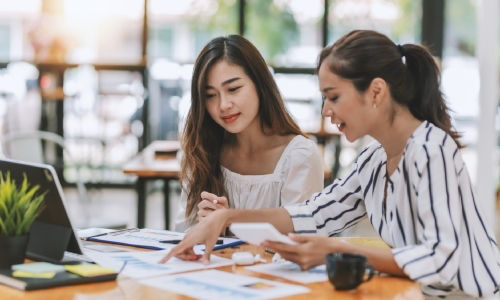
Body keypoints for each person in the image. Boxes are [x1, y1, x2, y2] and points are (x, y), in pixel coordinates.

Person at [161, 30, 500, 298]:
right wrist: (227, 217)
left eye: (334, 96)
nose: (326, 110)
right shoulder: (373, 160)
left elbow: (443, 261)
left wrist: (340, 251)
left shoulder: (430, 149)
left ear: (376, 92)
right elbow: (314, 214)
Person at [173, 35, 324, 232]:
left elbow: (303, 242)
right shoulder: (203, 150)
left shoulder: (300, 157)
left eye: (233, 89)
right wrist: (205, 227)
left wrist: (232, 223)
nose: (223, 105)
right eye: (210, 95)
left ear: (260, 85)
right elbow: (182, 234)